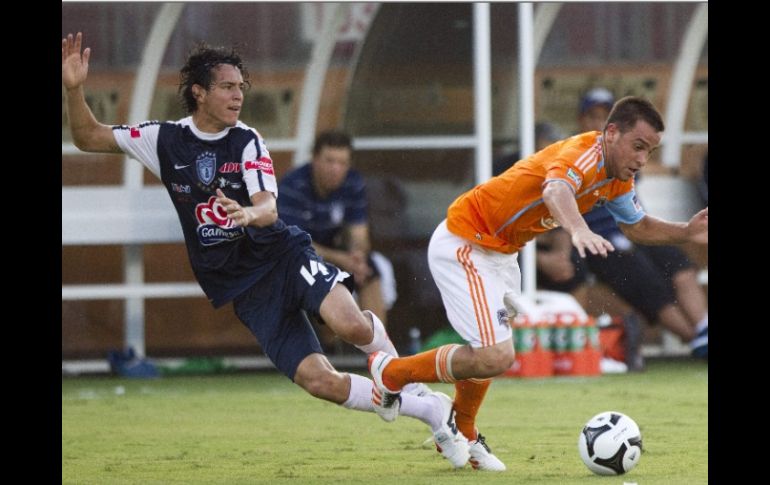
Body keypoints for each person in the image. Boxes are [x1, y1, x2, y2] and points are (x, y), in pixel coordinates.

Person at [62, 32, 469, 468]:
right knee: (319, 381)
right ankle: (430, 409)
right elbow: (89, 137)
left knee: (349, 324)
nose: (239, 95)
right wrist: (74, 89)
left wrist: (246, 215)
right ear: (199, 93)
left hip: (282, 255)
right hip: (244, 284)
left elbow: (269, 209)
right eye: (227, 87)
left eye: (241, 87)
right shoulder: (163, 139)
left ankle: (407, 382)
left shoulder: (248, 140)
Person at [367, 95, 708, 471]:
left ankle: (463, 430)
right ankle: (391, 373)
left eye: (650, 151)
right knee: (495, 355)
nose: (643, 159)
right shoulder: (584, 154)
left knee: (491, 352)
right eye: (638, 146)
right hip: (466, 241)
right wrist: (577, 228)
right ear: (611, 133)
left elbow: (636, 225)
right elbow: (555, 190)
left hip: (501, 253)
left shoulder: (616, 179)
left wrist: (686, 231)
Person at [575, 88, 708, 360]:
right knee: (645, 278)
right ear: (582, 120)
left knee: (678, 264)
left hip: (636, 228)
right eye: (593, 116)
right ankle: (698, 343)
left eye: (605, 117)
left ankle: (704, 329)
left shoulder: (625, 156)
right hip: (600, 239)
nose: (599, 123)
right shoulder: (576, 154)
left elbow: (640, 180)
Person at [277, 131, 397, 349]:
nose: (336, 169)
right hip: (295, 259)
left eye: (342, 162)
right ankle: (330, 352)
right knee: (323, 281)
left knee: (369, 270)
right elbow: (293, 243)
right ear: (314, 159)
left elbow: (359, 234)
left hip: (335, 254)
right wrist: (343, 259)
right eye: (330, 161)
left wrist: (357, 257)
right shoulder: (292, 186)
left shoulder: (353, 182)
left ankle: (380, 355)